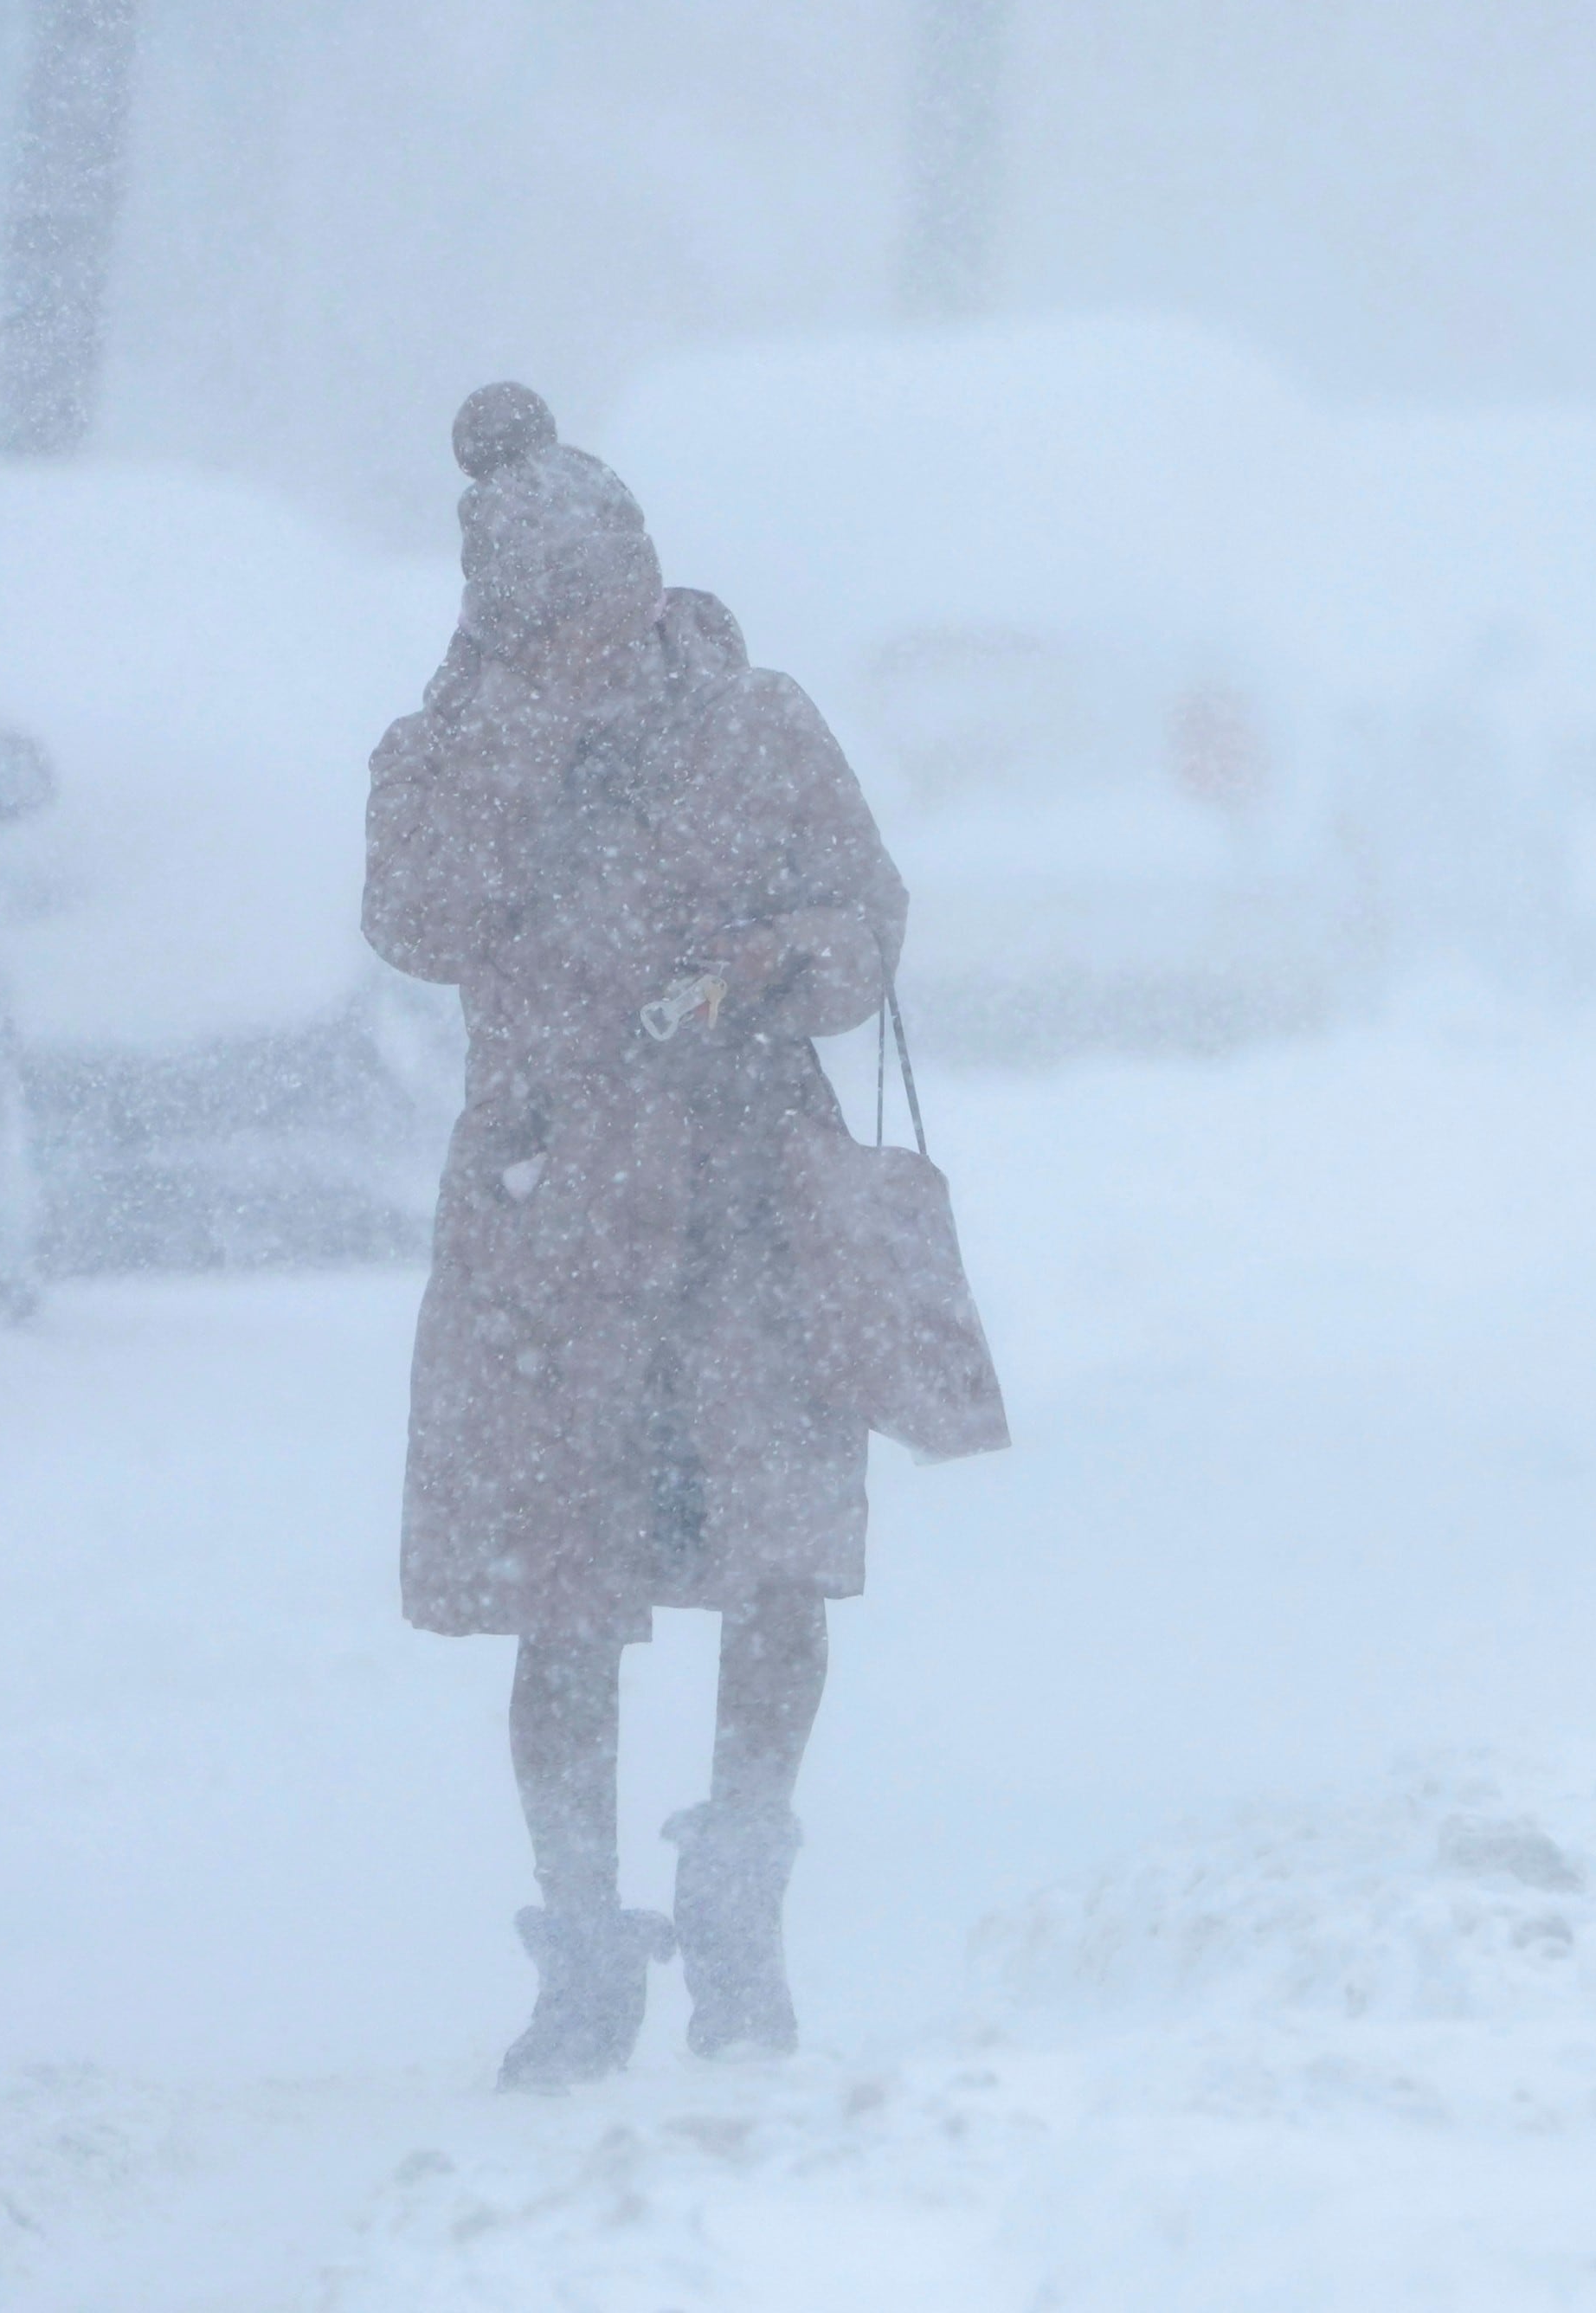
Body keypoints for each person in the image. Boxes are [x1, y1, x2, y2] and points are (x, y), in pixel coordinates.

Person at [364, 382, 909, 2088]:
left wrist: (777, 965)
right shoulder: (446, 750)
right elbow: (418, 921)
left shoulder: (758, 723)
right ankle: (583, 1951)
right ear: (504, 615)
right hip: (553, 1227)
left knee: (776, 1564)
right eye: (554, 617)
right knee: (560, 1600)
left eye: (608, 599)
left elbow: (866, 914)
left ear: (646, 575)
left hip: (749, 1200)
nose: (596, 639)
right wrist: (520, 740)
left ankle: (740, 1914)